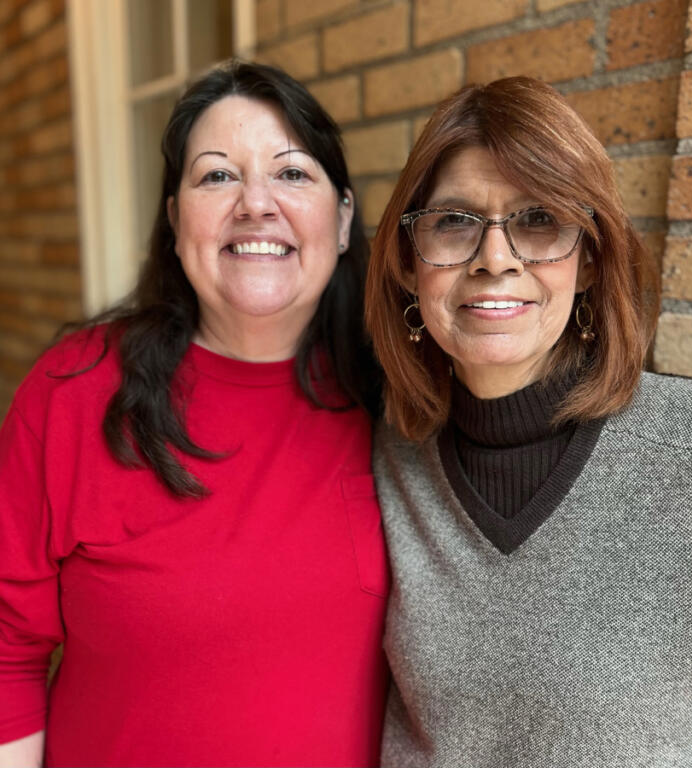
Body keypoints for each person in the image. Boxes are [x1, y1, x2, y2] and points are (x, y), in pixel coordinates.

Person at [366, 76, 692, 766]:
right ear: (409, 262)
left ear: (588, 259)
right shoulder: (388, 460)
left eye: (538, 220)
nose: (496, 259)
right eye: (456, 221)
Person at [0, 61, 388, 767]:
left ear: (341, 221)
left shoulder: (396, 401)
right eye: (217, 176)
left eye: (293, 174)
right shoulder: (75, 392)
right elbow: (6, 652)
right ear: (177, 223)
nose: (256, 204)